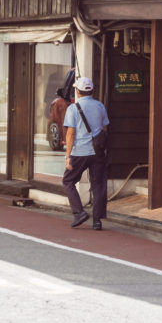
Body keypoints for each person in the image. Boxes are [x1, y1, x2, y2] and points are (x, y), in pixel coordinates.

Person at [61, 76, 110, 230]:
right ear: (91, 91)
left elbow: (70, 133)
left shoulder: (73, 108)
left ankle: (79, 212)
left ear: (77, 91)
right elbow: (104, 129)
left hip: (80, 151)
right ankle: (97, 221)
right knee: (98, 185)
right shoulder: (100, 106)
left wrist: (68, 156)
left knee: (68, 180)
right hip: (97, 152)